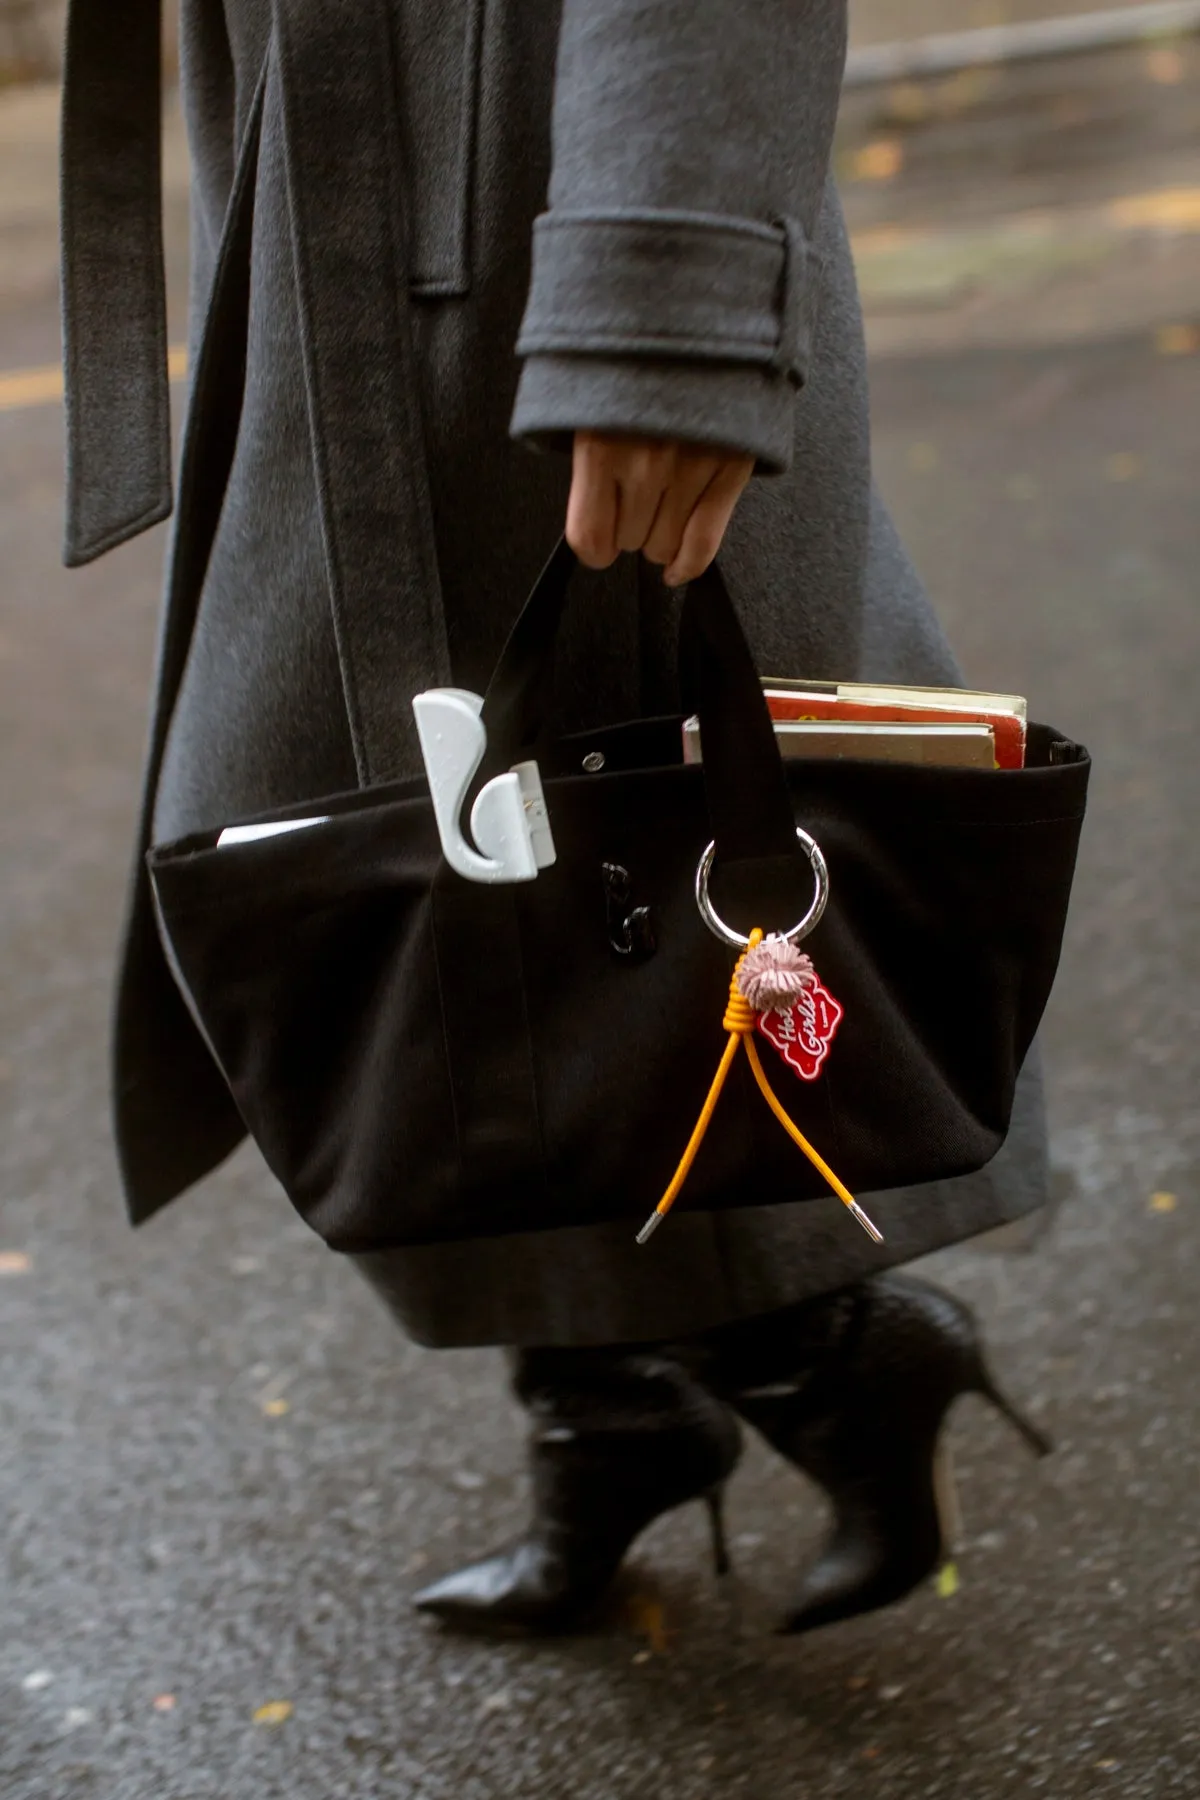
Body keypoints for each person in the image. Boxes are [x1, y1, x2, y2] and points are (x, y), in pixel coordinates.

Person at [59, 0, 1051, 1636]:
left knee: (590, 833)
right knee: (444, 872)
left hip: (548, 172)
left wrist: (667, 289)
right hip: (329, 157)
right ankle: (610, 1402)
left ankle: (807, 1356)